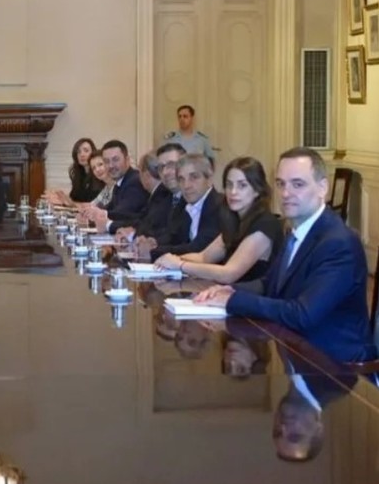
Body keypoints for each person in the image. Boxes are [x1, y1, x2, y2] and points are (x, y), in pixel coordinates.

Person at [194, 147, 376, 363]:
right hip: (295, 350)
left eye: (297, 184)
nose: (286, 193)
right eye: (281, 184)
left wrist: (233, 301)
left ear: (322, 188)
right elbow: (270, 283)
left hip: (334, 368)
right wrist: (228, 289)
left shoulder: (338, 243)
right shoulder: (296, 232)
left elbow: (303, 314)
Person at [155, 157, 283, 283]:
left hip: (250, 300)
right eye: (229, 185)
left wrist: (180, 265)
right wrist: (167, 259)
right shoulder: (235, 221)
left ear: (257, 190)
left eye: (242, 185)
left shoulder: (265, 224)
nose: (233, 192)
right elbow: (203, 257)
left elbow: (229, 273)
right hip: (224, 295)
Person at [149, 153, 222, 260]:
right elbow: (173, 237)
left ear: (209, 179)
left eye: (194, 177)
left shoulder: (219, 207)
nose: (186, 185)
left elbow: (198, 248)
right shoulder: (183, 206)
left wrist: (152, 251)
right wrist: (152, 243)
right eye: (181, 179)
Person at [134, 143, 186, 257]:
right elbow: (167, 233)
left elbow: (189, 243)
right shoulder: (169, 197)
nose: (166, 172)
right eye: (162, 167)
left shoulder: (191, 199)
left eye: (172, 165)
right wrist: (151, 240)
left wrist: (154, 247)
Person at [102, 152, 171, 238]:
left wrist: (110, 225)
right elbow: (140, 219)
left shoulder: (162, 195)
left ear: (146, 175)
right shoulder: (156, 194)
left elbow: (146, 225)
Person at [81, 140, 149, 224]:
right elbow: (110, 209)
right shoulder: (119, 183)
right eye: (106, 161)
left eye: (115, 160)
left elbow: (124, 213)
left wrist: (99, 214)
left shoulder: (135, 181)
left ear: (127, 160)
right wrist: (91, 214)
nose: (111, 165)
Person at [45, 138, 103, 206]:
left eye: (86, 151)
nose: (82, 155)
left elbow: (93, 205)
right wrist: (60, 198)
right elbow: (74, 199)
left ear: (93, 152)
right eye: (78, 152)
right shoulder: (78, 175)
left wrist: (71, 203)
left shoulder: (99, 175)